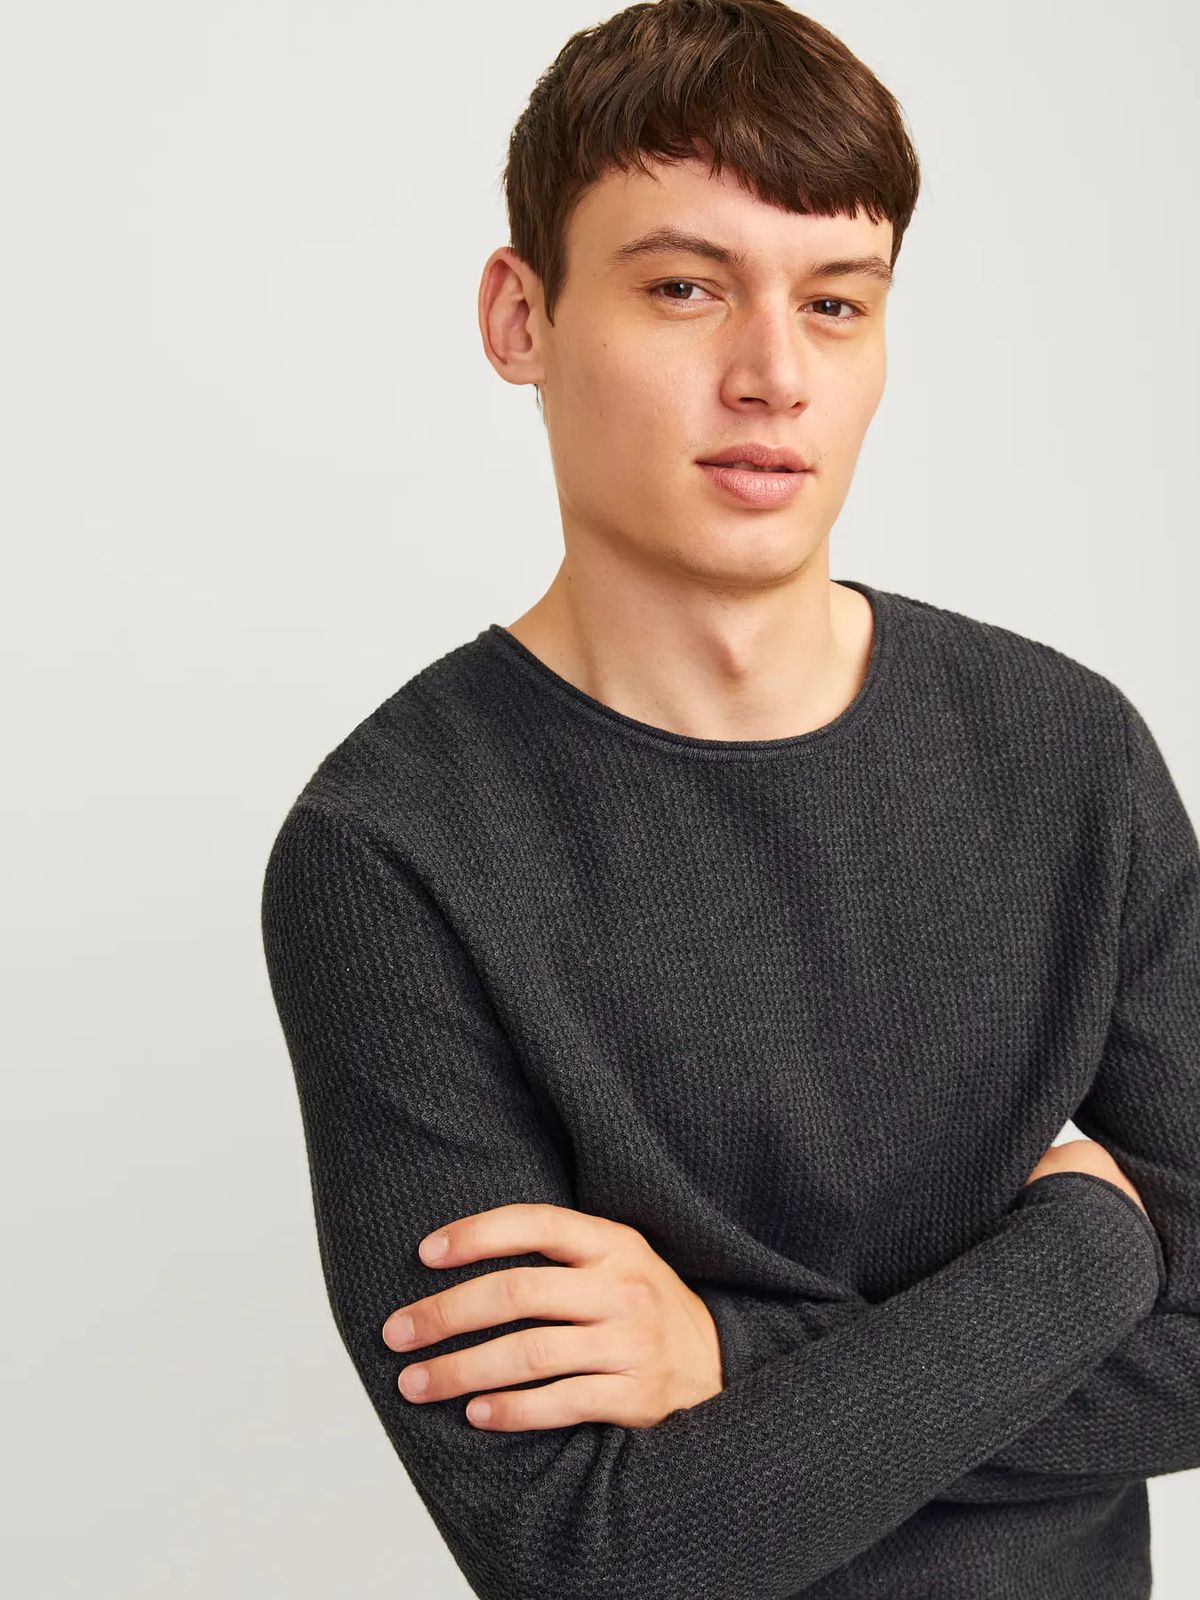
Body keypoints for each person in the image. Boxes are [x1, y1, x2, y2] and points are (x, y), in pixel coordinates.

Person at [259, 3, 1200, 1596]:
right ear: (520, 316)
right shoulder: (389, 852)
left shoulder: (1069, 756)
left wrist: (726, 1354)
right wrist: (1084, 1257)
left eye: (836, 303)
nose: (773, 376)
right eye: (685, 288)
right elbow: (583, 1547)